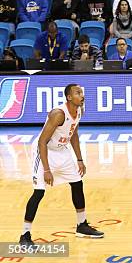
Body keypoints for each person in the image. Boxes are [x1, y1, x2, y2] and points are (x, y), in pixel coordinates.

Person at [18, 84, 103, 247]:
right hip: (44, 151)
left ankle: (82, 225)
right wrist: (47, 169)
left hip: (61, 151)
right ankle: (25, 234)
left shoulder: (80, 110)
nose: (82, 95)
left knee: (77, 184)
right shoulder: (58, 114)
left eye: (82, 93)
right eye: (78, 93)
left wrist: (79, 159)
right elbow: (42, 141)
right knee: (39, 193)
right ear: (69, 97)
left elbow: (74, 135)